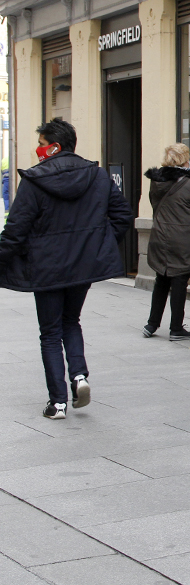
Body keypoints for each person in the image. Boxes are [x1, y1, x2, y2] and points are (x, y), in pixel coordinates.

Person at [0, 118, 133, 419]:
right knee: (71, 321)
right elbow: (122, 215)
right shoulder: (98, 176)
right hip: (82, 266)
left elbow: (15, 231)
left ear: (54, 146)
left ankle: (57, 402)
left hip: (46, 268)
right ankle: (79, 376)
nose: (38, 149)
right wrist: (98, 244)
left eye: (42, 144)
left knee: (50, 332)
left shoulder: (34, 181)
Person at [143, 143, 190, 341]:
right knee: (180, 281)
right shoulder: (189, 184)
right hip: (183, 241)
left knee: (161, 280)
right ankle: (176, 328)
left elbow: (155, 206)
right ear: (185, 159)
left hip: (160, 237)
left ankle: (151, 324)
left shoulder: (155, 182)